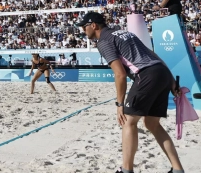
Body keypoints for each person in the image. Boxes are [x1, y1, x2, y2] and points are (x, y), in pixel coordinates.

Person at [76, 12, 185, 173]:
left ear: (94, 25)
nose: (83, 31)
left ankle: (126, 170)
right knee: (152, 124)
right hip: (161, 72)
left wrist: (119, 104)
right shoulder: (124, 32)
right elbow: (153, 54)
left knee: (128, 121)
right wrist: (171, 80)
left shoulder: (104, 41)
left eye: (84, 27)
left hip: (146, 75)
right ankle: (177, 169)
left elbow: (119, 74)